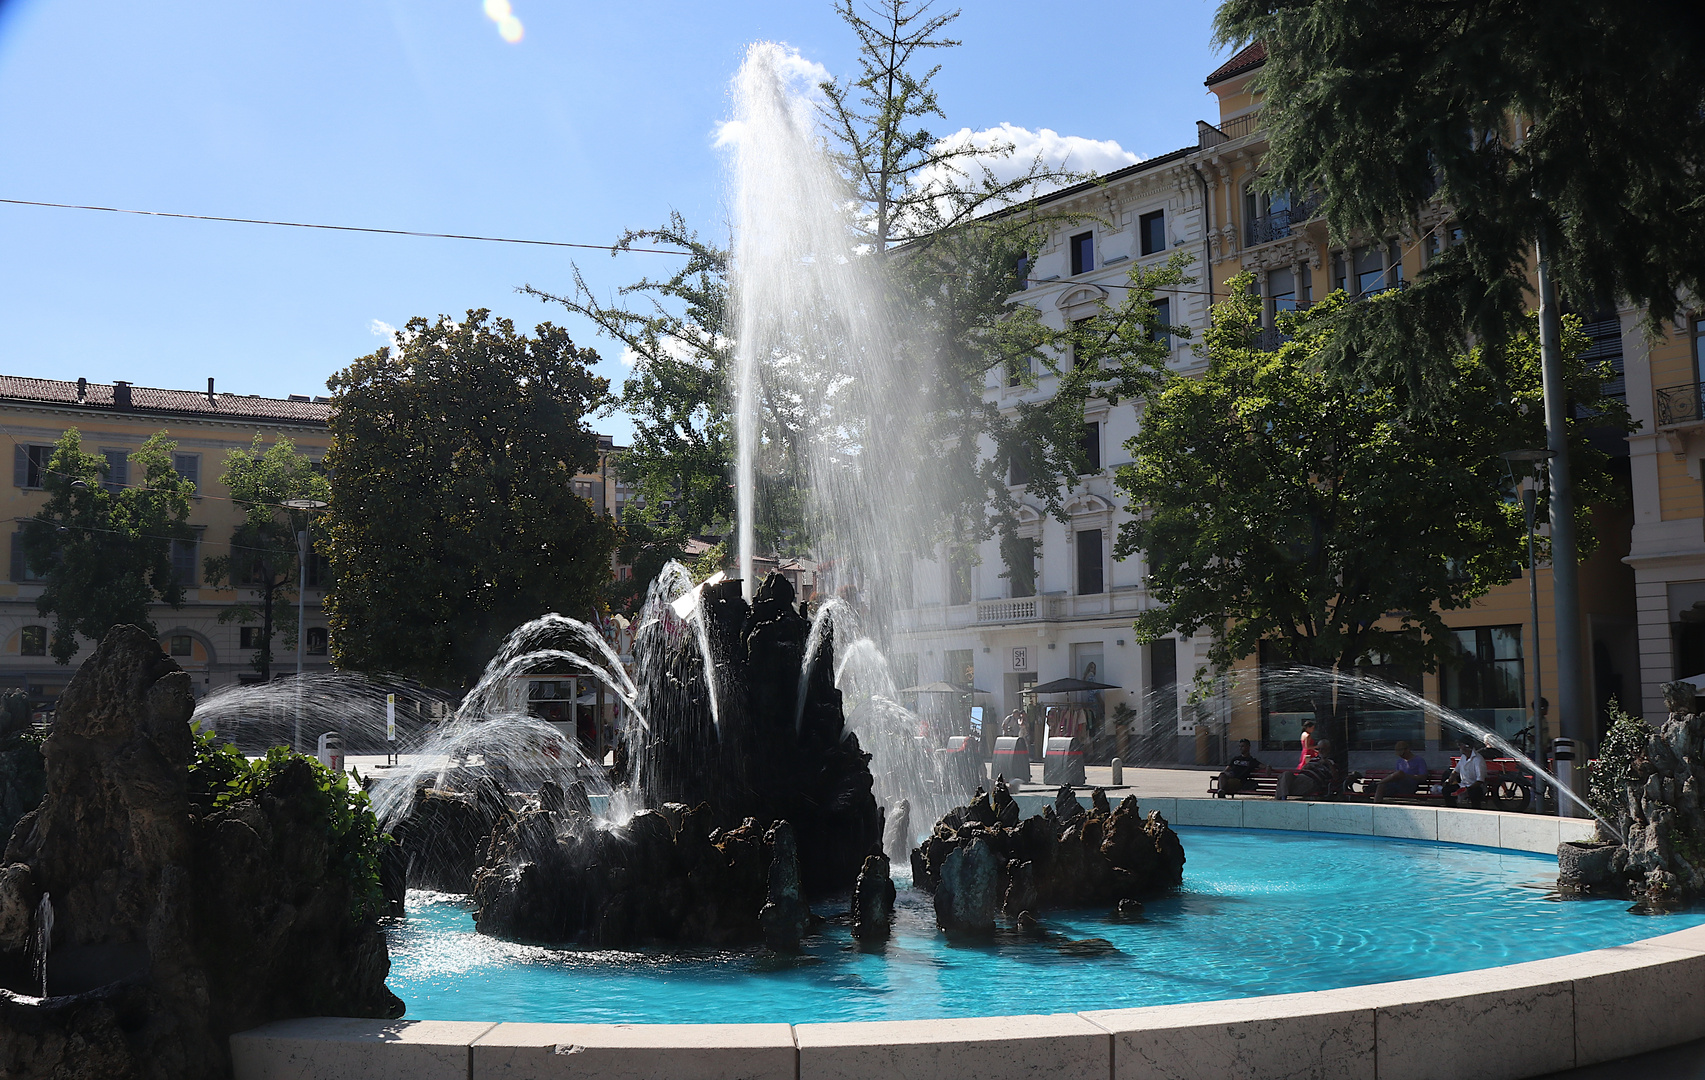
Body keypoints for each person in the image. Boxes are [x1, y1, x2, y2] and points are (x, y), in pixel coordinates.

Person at [1444, 739, 1489, 808]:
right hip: (1463, 785)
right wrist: (1450, 779)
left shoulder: (1478, 759)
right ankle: (1452, 809)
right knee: (1446, 790)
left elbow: (1480, 780)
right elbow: (1455, 771)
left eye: (1460, 745)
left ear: (1467, 747)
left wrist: (1467, 789)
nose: (1459, 748)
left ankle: (1476, 811)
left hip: (1476, 786)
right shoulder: (1463, 757)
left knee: (1474, 793)